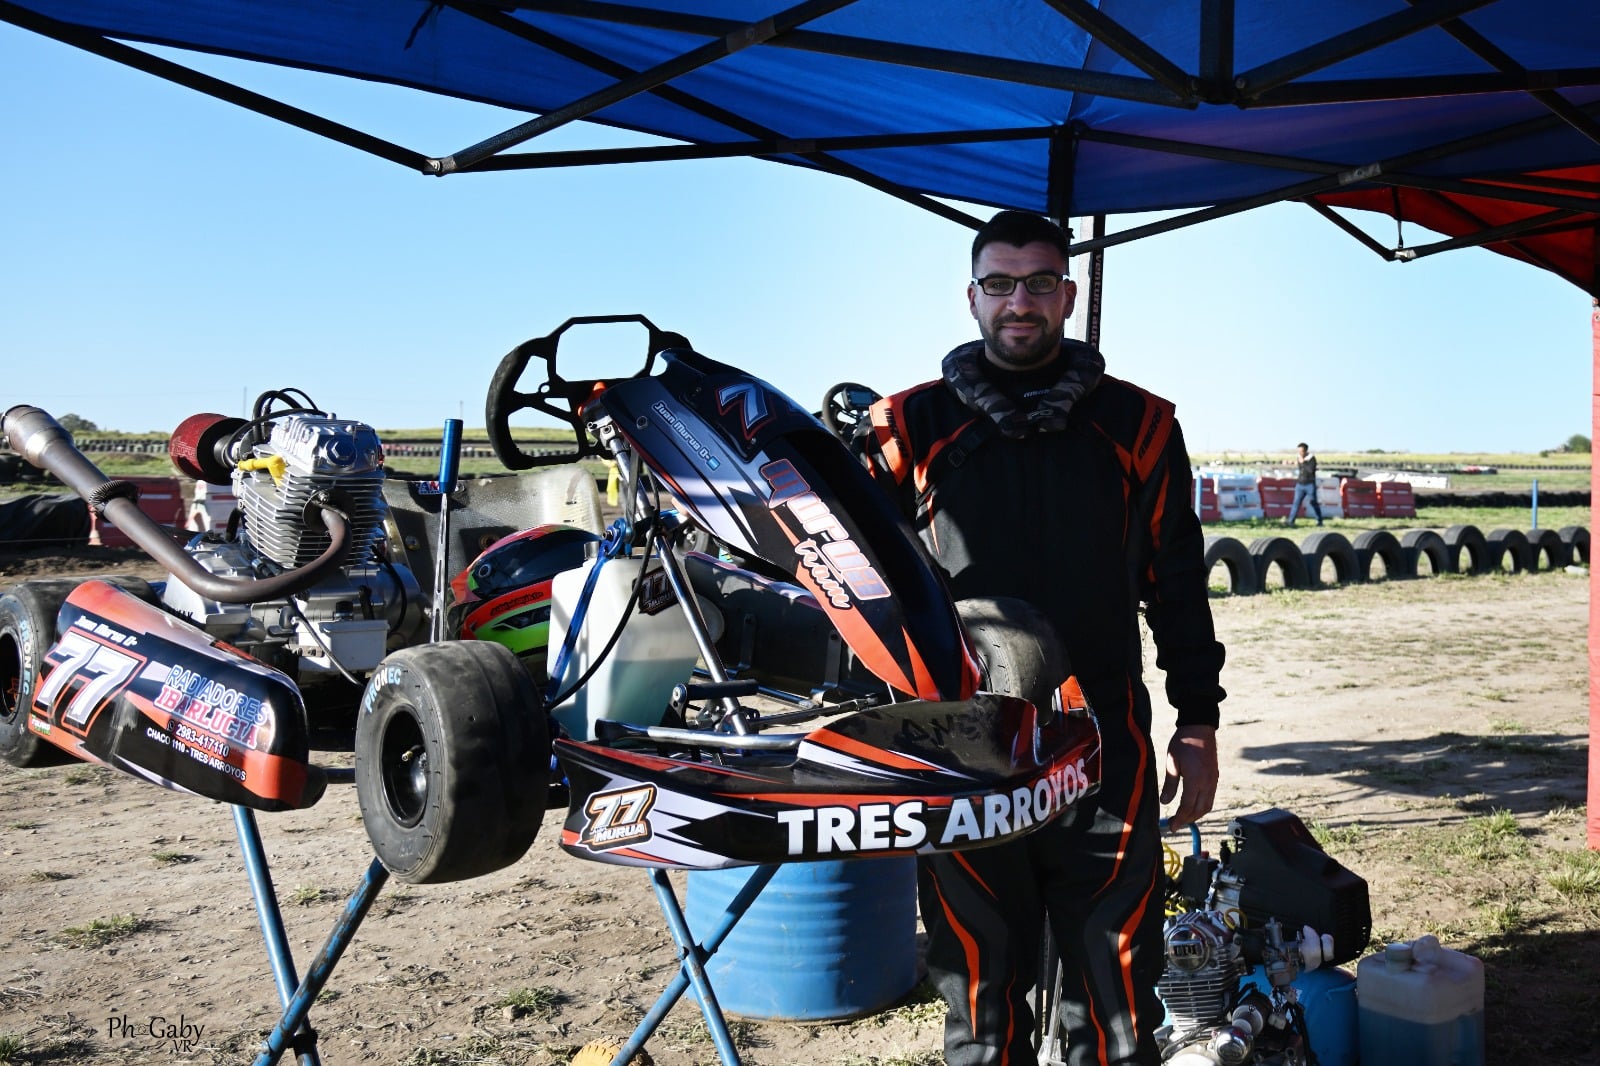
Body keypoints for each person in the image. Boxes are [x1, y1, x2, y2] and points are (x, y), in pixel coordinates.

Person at [853, 210, 1226, 1066]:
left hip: (1101, 741)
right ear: (972, 296)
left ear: (1068, 294)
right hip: (960, 746)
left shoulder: (1141, 425)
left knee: (1116, 996)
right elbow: (856, 593)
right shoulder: (902, 428)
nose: (1018, 302)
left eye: (1039, 283)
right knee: (981, 999)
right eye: (1000, 283)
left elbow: (1178, 587)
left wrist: (1198, 722)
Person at [1286, 442, 1323, 527]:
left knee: (1313, 502)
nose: (1300, 453)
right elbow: (1300, 469)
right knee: (1296, 502)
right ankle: (1291, 521)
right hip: (1300, 484)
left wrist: (1303, 463)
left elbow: (1310, 470)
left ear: (1305, 451)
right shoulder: (1299, 458)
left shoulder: (1312, 459)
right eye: (1299, 451)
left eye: (1301, 451)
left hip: (1310, 484)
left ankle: (1319, 520)